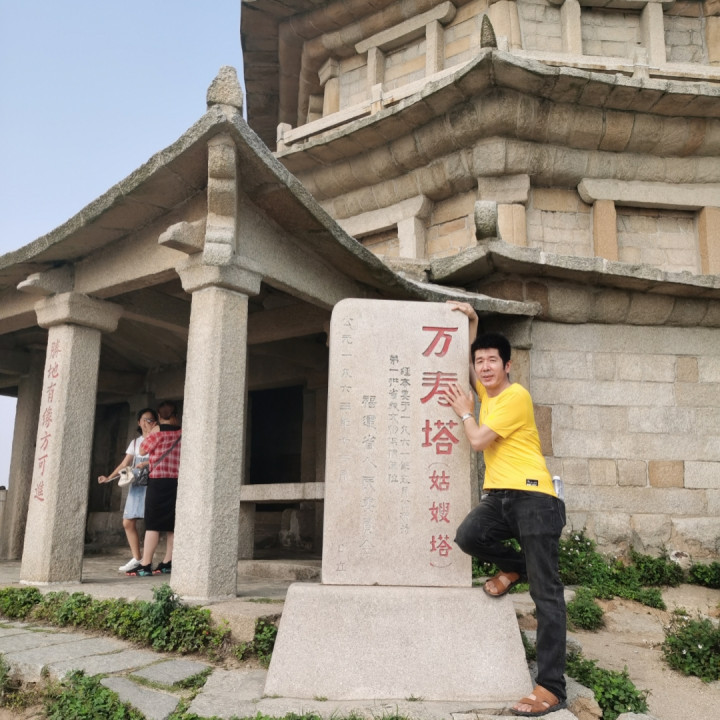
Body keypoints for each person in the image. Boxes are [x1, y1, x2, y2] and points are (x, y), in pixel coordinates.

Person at [444, 301, 567, 718]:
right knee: (469, 536)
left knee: (546, 595)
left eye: (492, 361)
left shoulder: (515, 396)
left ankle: (550, 688)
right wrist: (473, 320)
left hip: (534, 498)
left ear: (508, 365)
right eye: (479, 361)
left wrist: (465, 413)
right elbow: (470, 366)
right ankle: (517, 567)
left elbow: (478, 440)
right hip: (499, 497)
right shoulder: (488, 393)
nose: (483, 368)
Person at [98, 407, 158, 573]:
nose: (148, 423)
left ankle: (147, 561)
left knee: (152, 523)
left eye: (151, 420)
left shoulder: (158, 439)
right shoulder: (135, 442)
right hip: (137, 485)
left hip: (153, 483)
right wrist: (109, 477)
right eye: (145, 419)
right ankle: (137, 558)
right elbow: (125, 464)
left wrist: (146, 463)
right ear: (138, 422)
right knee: (127, 522)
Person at [126, 401, 181, 577]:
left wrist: (152, 431)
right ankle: (167, 562)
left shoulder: (158, 432)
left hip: (158, 481)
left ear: (158, 416)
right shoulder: (181, 432)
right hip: (176, 481)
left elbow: (143, 450)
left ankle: (145, 564)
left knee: (153, 524)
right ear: (175, 414)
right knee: (172, 524)